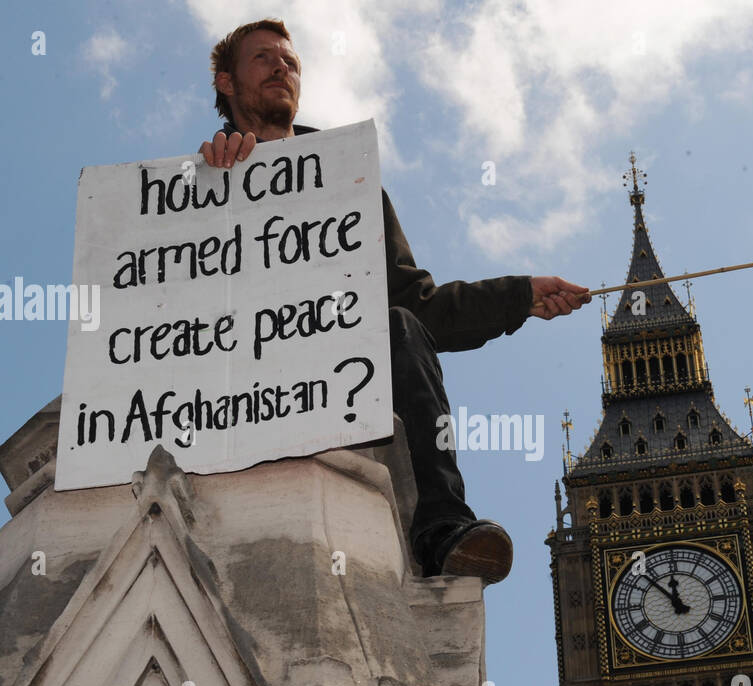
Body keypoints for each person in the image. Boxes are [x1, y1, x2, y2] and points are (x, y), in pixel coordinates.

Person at [200, 18, 589, 583]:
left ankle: (444, 529)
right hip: (244, 379)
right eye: (263, 59)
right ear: (227, 83)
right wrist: (218, 186)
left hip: (336, 368)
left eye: (290, 61)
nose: (282, 67)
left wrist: (519, 296)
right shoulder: (203, 182)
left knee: (400, 325)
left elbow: (420, 307)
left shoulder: (349, 181)